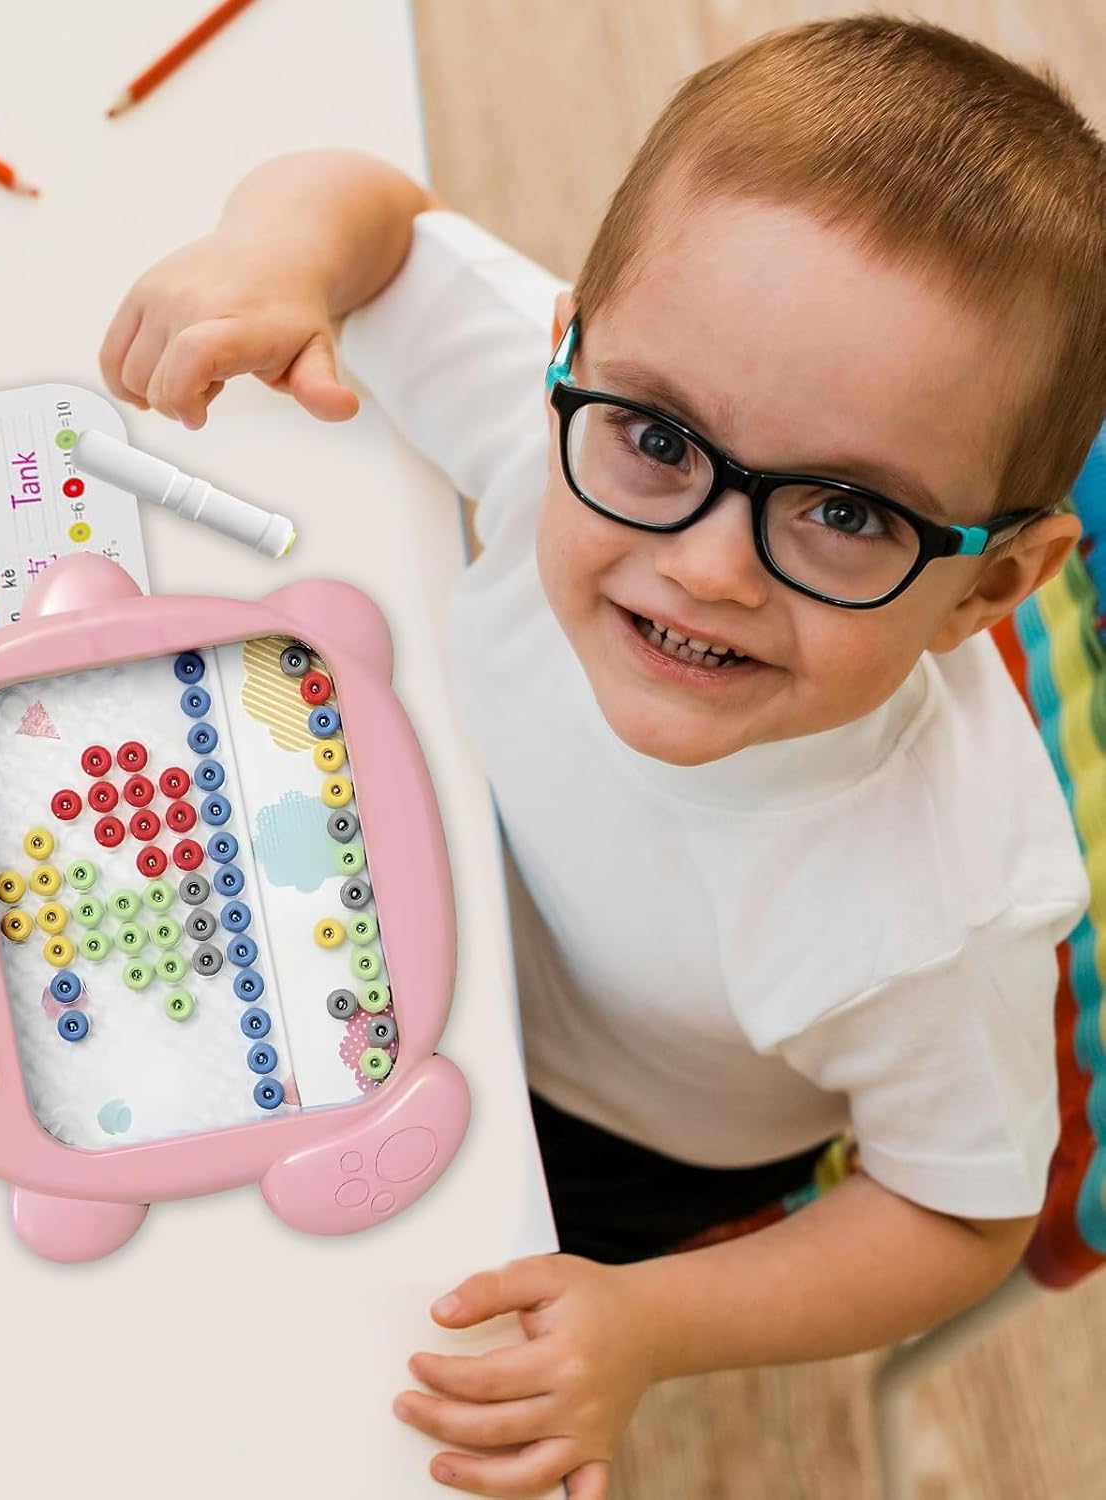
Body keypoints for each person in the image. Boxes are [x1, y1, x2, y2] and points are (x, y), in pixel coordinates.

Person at [99, 17, 1105, 1497]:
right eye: (663, 441)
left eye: (846, 512)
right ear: (569, 355)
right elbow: (374, 215)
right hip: (367, 890)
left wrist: (646, 1326)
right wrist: (269, 258)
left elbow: (957, 1220)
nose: (705, 566)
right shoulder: (577, 418)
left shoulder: (938, 919)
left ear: (991, 590)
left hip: (609, 1143)